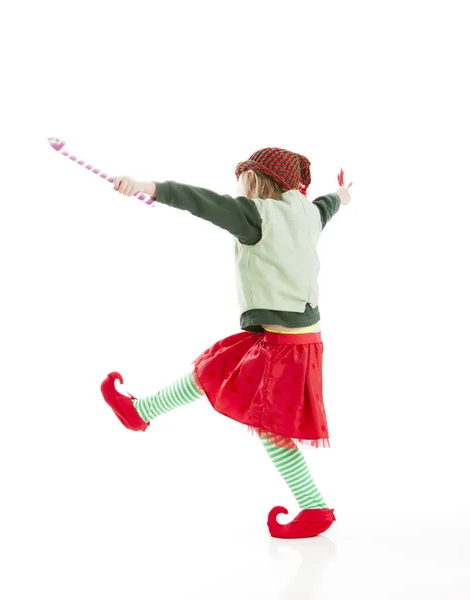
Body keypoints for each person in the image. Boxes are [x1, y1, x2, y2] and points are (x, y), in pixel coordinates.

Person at [100, 147, 352, 538]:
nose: (238, 187)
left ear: (256, 180)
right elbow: (331, 203)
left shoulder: (254, 215)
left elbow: (199, 201)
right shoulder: (309, 213)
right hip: (297, 337)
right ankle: (142, 412)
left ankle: (314, 507)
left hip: (283, 345)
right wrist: (345, 193)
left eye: (243, 178)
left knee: (269, 427)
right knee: (214, 368)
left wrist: (144, 187)